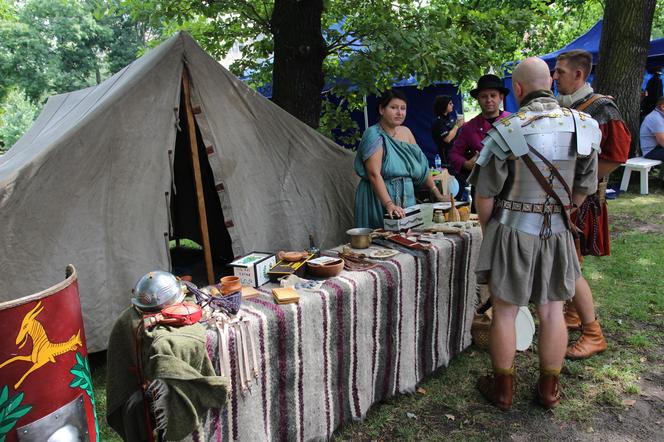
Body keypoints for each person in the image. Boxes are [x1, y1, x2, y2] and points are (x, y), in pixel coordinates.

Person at [470, 57, 600, 410]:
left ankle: (504, 390)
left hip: (512, 228)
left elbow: (485, 195)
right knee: (553, 310)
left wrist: (488, 232)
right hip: (557, 230)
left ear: (516, 89)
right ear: (552, 82)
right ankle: (548, 389)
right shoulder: (583, 125)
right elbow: (585, 186)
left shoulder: (505, 130)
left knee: (506, 310)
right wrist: (562, 211)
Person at [553, 49, 631, 360]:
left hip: (580, 199)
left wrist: (582, 182)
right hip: (568, 196)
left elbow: (618, 152)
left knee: (571, 267)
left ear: (579, 75)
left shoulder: (601, 107)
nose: (555, 76)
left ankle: (592, 332)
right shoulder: (567, 105)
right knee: (573, 263)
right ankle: (572, 315)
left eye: (559, 71)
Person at [354, 89, 449, 228]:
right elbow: (374, 174)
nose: (399, 112)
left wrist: (437, 194)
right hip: (378, 200)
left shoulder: (406, 132)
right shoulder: (373, 134)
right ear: (382, 109)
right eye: (393, 108)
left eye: (403, 108)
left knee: (410, 241)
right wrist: (389, 204)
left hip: (407, 199)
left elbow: (422, 167)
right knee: (381, 246)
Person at [448, 74, 510, 183]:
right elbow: (454, 154)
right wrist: (466, 164)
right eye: (484, 96)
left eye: (493, 95)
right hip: (481, 184)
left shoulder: (513, 121)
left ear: (501, 97)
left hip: (511, 184)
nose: (488, 100)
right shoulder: (469, 127)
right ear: (477, 99)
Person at [431, 95, 463, 164]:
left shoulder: (450, 118)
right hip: (446, 157)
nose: (453, 105)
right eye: (450, 103)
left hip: (456, 153)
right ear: (444, 105)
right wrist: (457, 126)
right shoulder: (439, 122)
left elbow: (456, 133)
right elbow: (447, 139)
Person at [640, 95, 664, 161]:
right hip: (651, 151)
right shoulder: (656, 118)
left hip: (658, 148)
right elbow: (662, 141)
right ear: (663, 107)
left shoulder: (660, 116)